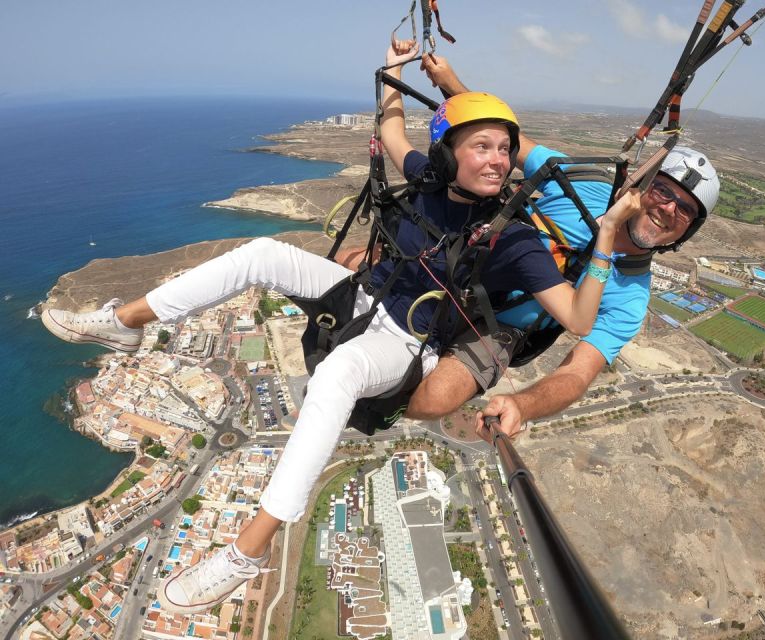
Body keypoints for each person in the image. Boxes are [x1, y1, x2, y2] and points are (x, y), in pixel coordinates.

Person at [41, 40, 641, 614]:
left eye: (505, 150)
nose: (498, 160)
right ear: (447, 155)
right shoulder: (429, 184)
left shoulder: (512, 238)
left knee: (338, 373)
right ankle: (124, 322)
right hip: (361, 296)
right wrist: (393, 74)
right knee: (259, 253)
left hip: (406, 342)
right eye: (481, 147)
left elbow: (578, 317)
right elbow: (391, 133)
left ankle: (247, 552)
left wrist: (607, 239)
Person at [403, 54, 721, 441]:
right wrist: (449, 82)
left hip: (499, 325)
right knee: (358, 265)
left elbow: (576, 372)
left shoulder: (630, 298)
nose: (668, 209)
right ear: (642, 185)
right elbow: (506, 143)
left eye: (685, 209)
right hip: (467, 256)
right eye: (663, 191)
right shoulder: (582, 181)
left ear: (686, 231)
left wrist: (523, 404)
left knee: (432, 400)